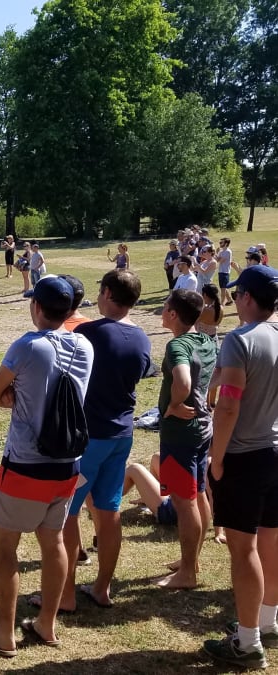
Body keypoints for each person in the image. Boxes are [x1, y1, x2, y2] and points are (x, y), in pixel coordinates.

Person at [0, 276, 93, 656]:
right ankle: (46, 624)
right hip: (68, 463)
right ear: (69, 309)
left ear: (36, 306)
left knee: (4, 544)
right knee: (53, 541)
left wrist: (17, 398)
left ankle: (4, 633)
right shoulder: (84, 345)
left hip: (26, 465)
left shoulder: (27, 346)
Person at [59, 270, 151, 611]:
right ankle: (102, 588)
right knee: (108, 510)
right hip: (121, 434)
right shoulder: (142, 338)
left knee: (66, 514)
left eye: (100, 290)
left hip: (89, 438)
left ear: (108, 293)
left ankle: (64, 594)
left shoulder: (89, 332)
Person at [202, 265, 278, 670]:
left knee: (244, 548)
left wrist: (216, 458)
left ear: (246, 297)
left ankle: (247, 644)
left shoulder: (239, 339)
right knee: (271, 539)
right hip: (275, 451)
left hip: (245, 455)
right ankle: (266, 622)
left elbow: (229, 404)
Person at [154, 289, 217, 589]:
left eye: (165, 307)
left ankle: (187, 574)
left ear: (174, 314)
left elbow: (183, 381)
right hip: (204, 427)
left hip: (181, 434)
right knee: (200, 494)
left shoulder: (177, 345)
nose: (163, 310)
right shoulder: (206, 340)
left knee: (185, 501)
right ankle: (193, 560)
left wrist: (174, 406)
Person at [216, 237, 233, 305]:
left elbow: (220, 260)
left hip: (225, 272)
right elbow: (217, 260)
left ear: (226, 244)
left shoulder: (228, 252)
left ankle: (221, 304)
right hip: (221, 271)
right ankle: (229, 300)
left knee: (223, 289)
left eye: (221, 242)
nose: (220, 244)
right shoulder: (221, 251)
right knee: (223, 288)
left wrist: (216, 254)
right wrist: (217, 254)